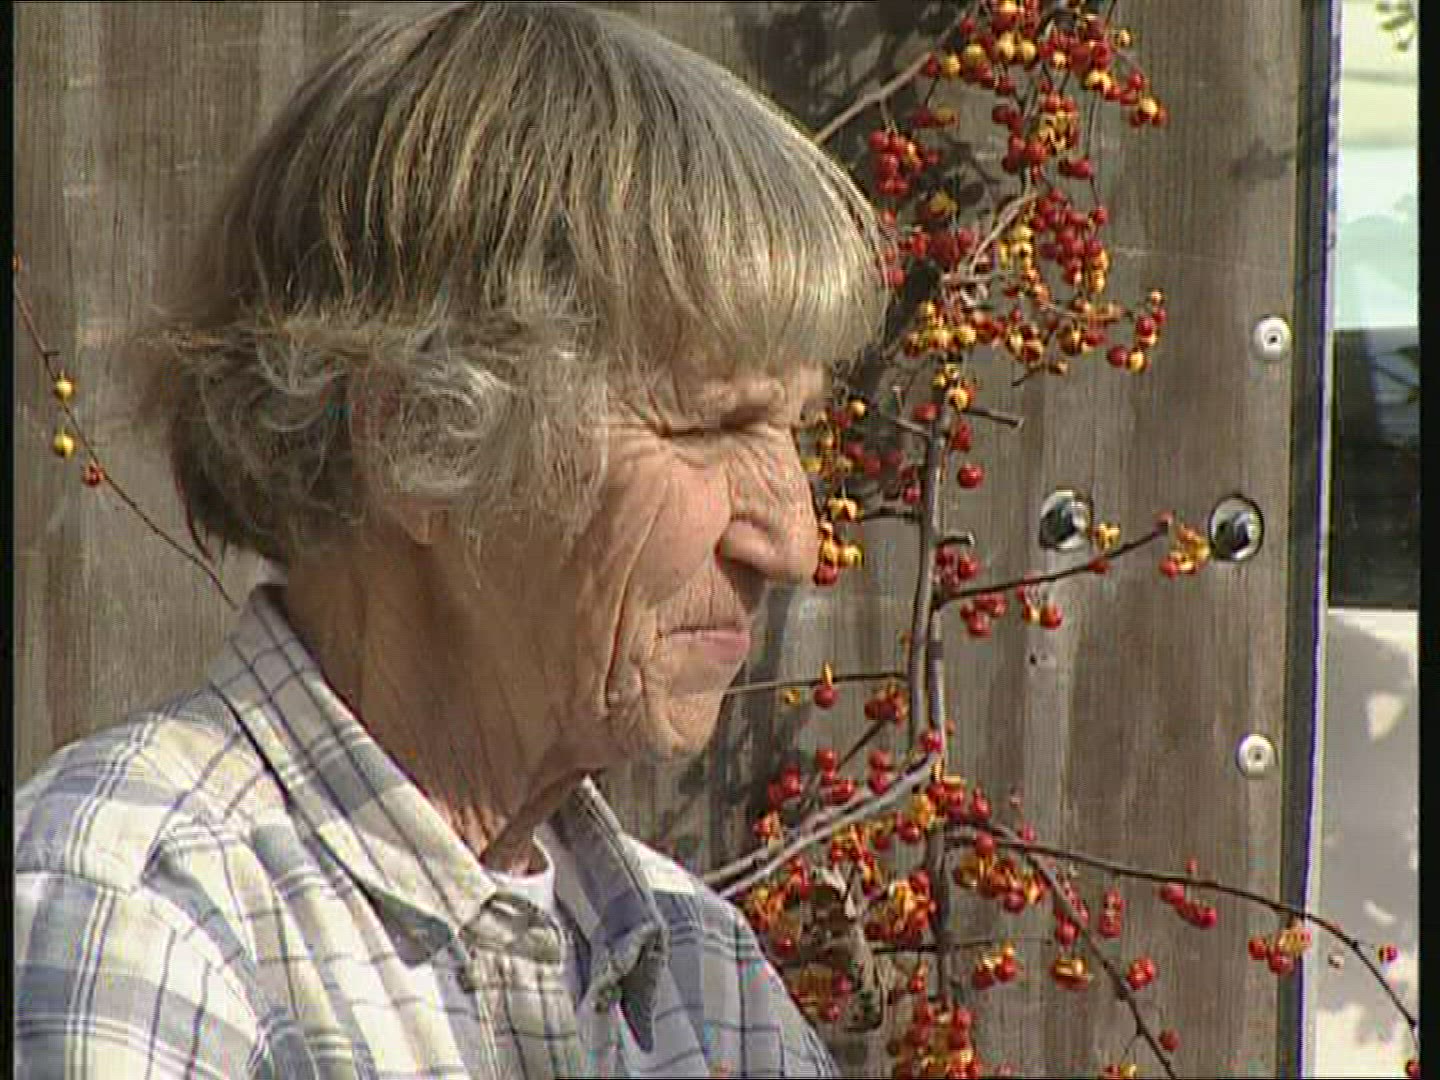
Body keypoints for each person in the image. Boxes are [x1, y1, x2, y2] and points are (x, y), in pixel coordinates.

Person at [13, 2, 887, 1077]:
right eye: (708, 426)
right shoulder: (141, 928)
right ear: (414, 435)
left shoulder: (701, 980)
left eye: (795, 431)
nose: (793, 542)